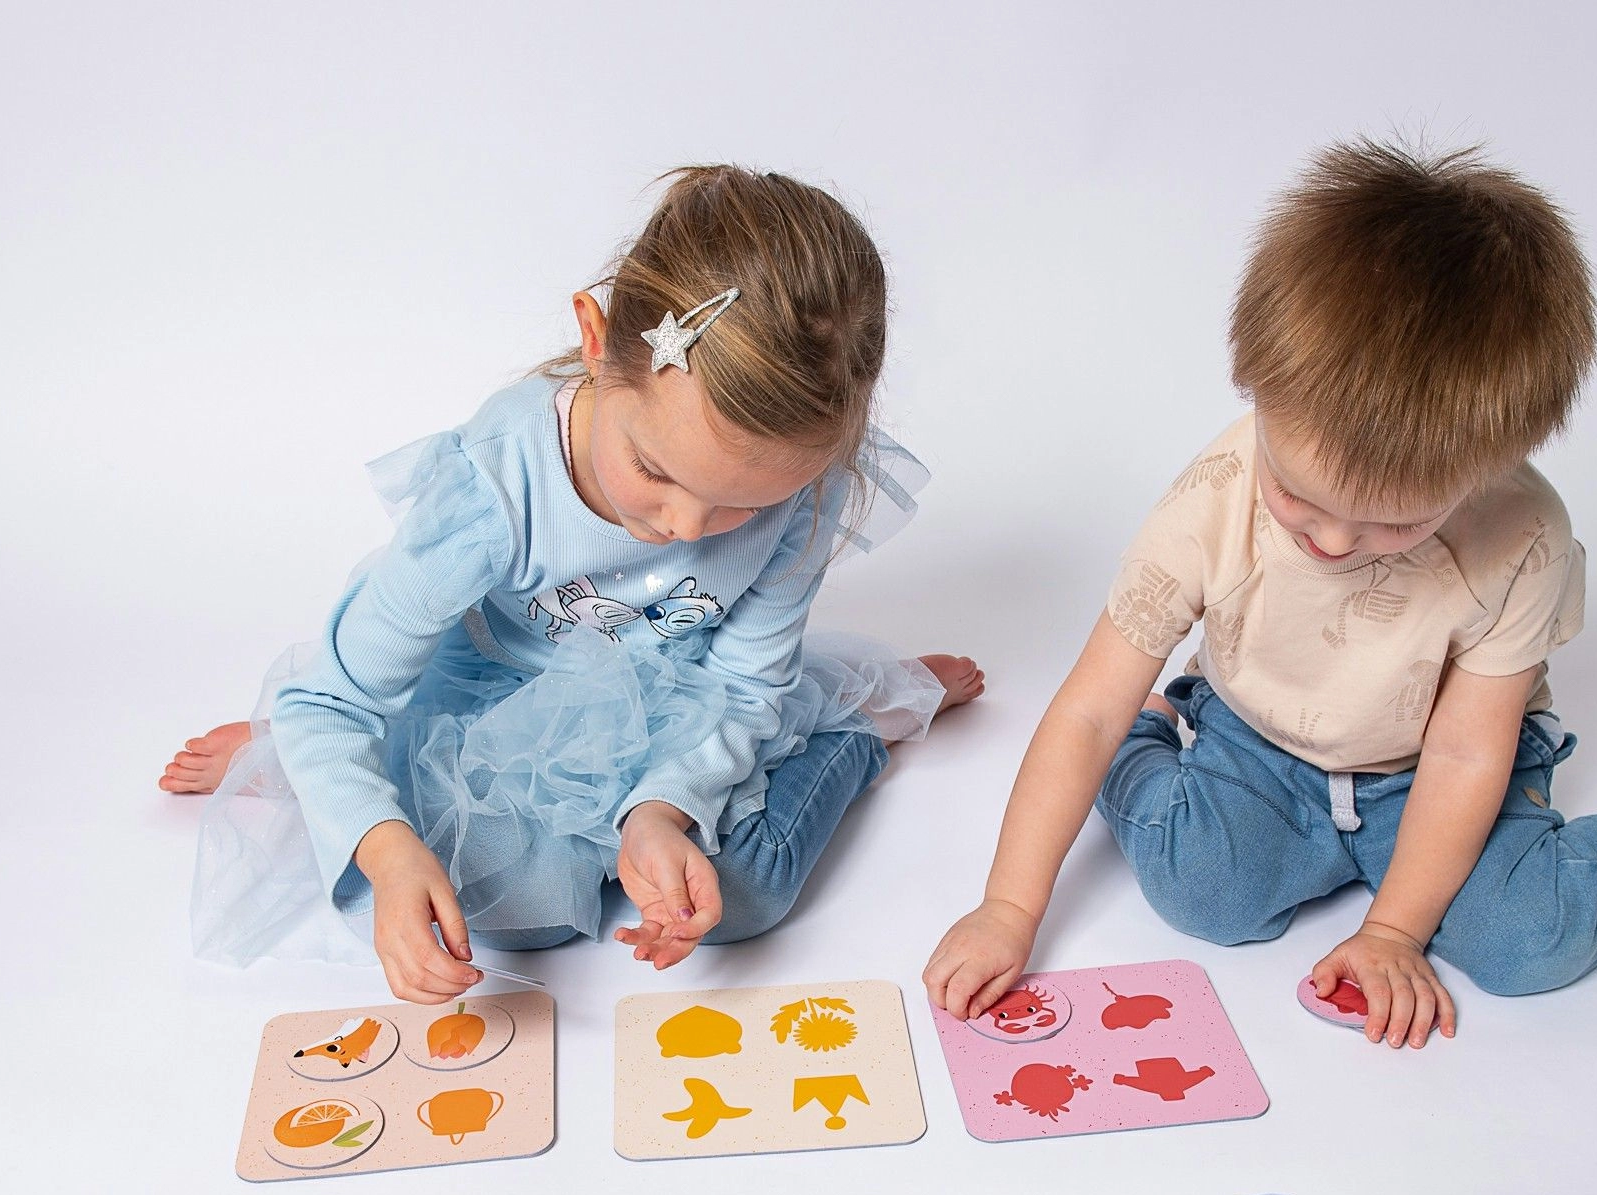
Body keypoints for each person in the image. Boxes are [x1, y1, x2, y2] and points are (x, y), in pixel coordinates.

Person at [925, 139, 1597, 1048]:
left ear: (1487, 468)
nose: (1331, 543)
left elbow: (1466, 753)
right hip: (1262, 739)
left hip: (1432, 769)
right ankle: (1152, 731)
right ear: (1254, 387)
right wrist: (1009, 908)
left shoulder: (1523, 537)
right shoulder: (1213, 498)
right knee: (1204, 894)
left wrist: (1395, 930)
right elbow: (1086, 710)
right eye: (1297, 496)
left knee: (1528, 940)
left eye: (1394, 525)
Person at [162, 165, 982, 1003]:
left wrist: (659, 813)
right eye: (654, 470)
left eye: (742, 504)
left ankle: (856, 728)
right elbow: (332, 699)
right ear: (597, 341)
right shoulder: (496, 485)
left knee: (745, 892)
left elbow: (743, 686)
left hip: (687, 698)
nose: (686, 528)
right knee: (497, 899)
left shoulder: (803, 489)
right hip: (505, 699)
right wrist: (387, 848)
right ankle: (296, 762)